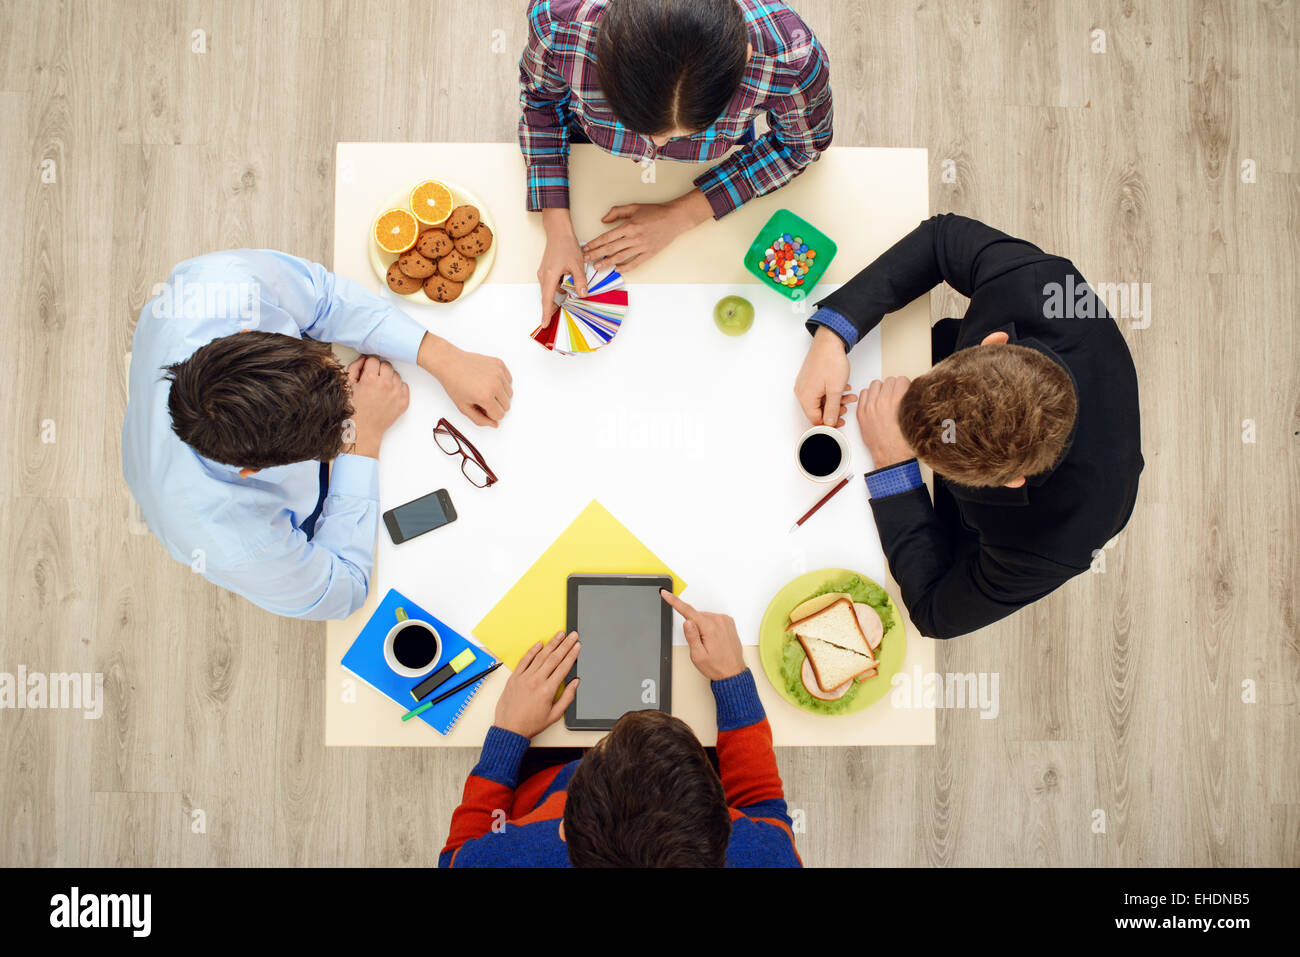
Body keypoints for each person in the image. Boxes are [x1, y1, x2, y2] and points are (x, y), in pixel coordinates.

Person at [793, 214, 1143, 639]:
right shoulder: (1043, 287)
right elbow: (941, 239)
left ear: (1013, 481)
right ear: (993, 341)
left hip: (947, 526)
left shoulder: (1060, 542)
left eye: (927, 452)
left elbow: (934, 614)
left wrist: (894, 465)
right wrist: (833, 334)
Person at [122, 249, 513, 620]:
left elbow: (323, 298)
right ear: (252, 471)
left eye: (331, 368)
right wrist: (362, 439)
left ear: (250, 329)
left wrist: (441, 355)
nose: (349, 382)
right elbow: (345, 589)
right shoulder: (232, 542)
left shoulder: (226, 283)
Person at [519, 0, 832, 325]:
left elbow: (799, 146)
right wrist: (556, 226)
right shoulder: (559, 23)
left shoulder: (792, 58)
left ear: (744, 60)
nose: (655, 146)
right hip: (587, 150)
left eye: (690, 130)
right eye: (639, 124)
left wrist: (683, 214)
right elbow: (541, 104)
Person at [439, 591, 800, 867]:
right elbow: (763, 809)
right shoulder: (767, 856)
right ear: (725, 826)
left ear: (563, 828)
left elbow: (455, 856)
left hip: (531, 785)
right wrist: (734, 681)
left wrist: (508, 734)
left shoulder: (507, 857)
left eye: (602, 749)